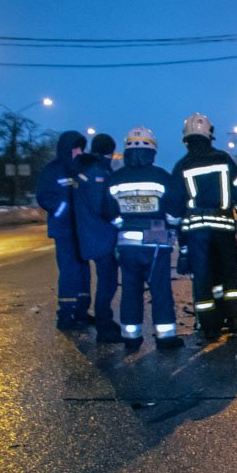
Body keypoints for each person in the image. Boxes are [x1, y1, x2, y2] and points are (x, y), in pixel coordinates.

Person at [105, 127, 185, 351]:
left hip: (127, 245)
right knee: (160, 290)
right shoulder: (161, 177)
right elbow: (175, 210)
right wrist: (170, 224)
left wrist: (123, 225)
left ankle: (131, 337)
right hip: (156, 243)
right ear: (153, 151)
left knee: (130, 290)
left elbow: (108, 211)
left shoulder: (115, 179)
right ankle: (165, 337)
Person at [172, 113, 237, 340]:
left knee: (203, 278)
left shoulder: (182, 165)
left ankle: (209, 326)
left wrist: (178, 228)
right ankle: (234, 318)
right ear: (210, 135)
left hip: (196, 231)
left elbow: (175, 202)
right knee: (229, 273)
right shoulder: (224, 159)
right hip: (224, 227)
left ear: (186, 138)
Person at [36, 130, 92, 330]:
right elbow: (44, 196)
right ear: (67, 148)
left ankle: (82, 311)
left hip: (82, 229)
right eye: (76, 147)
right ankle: (66, 314)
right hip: (64, 230)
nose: (79, 151)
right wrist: (63, 209)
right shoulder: (53, 170)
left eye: (81, 148)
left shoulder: (82, 169)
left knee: (84, 271)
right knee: (70, 271)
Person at [72, 133, 121, 343]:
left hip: (89, 233)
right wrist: (120, 221)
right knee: (107, 282)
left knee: (105, 281)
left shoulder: (83, 170)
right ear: (110, 150)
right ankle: (104, 327)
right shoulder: (99, 172)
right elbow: (105, 206)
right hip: (102, 236)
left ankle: (105, 322)